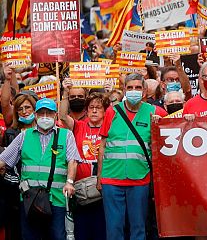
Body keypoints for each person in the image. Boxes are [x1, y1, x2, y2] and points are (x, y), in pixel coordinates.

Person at [97, 73, 167, 240]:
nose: (133, 90)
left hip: (140, 179)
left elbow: (176, 123)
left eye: (137, 87)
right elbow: (103, 146)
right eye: (130, 87)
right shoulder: (112, 112)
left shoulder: (155, 112)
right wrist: (99, 177)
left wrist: (186, 118)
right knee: (114, 229)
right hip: (111, 178)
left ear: (144, 91)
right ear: (124, 90)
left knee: (139, 228)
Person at [0, 97, 79, 240]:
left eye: (49, 113)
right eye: (41, 113)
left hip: (57, 198)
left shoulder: (66, 135)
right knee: (30, 236)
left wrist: (70, 182)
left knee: (57, 236)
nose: (45, 117)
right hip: (30, 199)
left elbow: (72, 161)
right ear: (35, 115)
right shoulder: (24, 136)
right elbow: (3, 160)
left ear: (55, 115)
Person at [59, 91, 109, 240]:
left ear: (105, 111)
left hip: (103, 188)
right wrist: (65, 93)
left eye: (98, 108)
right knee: (82, 230)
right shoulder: (79, 126)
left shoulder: (110, 128)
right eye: (91, 107)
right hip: (81, 190)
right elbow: (62, 116)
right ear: (86, 110)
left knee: (101, 229)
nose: (94, 111)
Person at [0, 91, 37, 240]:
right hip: (16, 189)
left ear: (35, 109)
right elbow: (7, 161)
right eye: (20, 109)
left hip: (40, 187)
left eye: (27, 107)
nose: (24, 111)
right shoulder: (11, 133)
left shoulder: (46, 131)